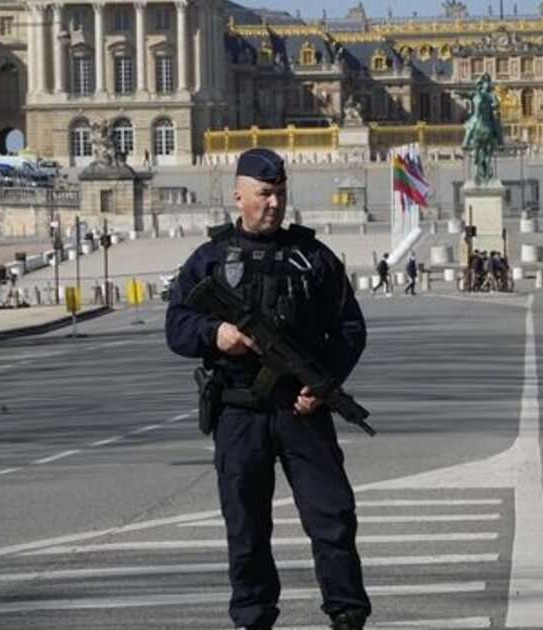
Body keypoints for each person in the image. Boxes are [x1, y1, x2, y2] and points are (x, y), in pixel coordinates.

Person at [165, 148, 371, 630]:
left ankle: (346, 613)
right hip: (239, 411)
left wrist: (325, 384)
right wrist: (215, 334)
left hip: (302, 409)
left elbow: (349, 329)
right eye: (264, 193)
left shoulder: (312, 257)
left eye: (280, 193)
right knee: (246, 526)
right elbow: (177, 325)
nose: (274, 203)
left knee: (332, 516)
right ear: (239, 196)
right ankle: (253, 618)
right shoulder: (210, 258)